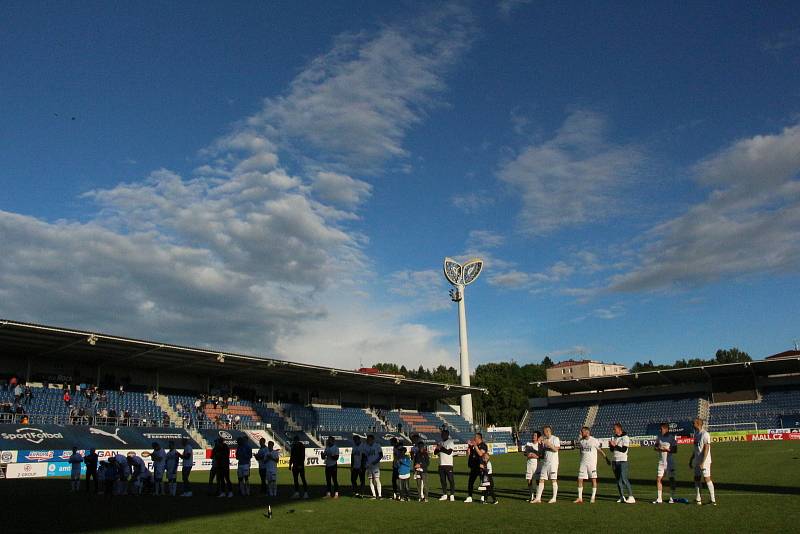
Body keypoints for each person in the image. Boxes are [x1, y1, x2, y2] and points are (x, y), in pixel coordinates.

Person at [575, 426, 608, 504]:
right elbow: (581, 451)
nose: (581, 433)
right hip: (583, 463)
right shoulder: (581, 441)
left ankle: (593, 497)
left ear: (587, 432)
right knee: (580, 479)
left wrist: (606, 458)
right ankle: (580, 498)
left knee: (593, 479)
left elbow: (600, 450)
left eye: (582, 432)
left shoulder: (594, 440)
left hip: (592, 464)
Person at [690, 417, 716, 506]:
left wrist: (703, 462)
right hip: (697, 460)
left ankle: (713, 500)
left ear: (698, 424)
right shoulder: (696, 434)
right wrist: (691, 459)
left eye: (693, 423)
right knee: (696, 478)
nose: (692, 424)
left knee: (706, 478)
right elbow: (696, 449)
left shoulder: (705, 434)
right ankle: (698, 499)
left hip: (704, 461)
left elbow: (706, 448)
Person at [532, 425, 560, 503]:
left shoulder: (555, 438)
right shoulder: (544, 440)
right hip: (545, 462)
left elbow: (556, 449)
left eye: (545, 432)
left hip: (553, 463)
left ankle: (554, 498)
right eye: (543, 432)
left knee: (553, 480)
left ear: (548, 431)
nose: (544, 434)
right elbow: (544, 451)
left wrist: (548, 444)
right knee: (541, 479)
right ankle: (538, 498)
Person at [609, 422, 635, 503]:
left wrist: (615, 445)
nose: (614, 430)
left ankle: (631, 497)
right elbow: (612, 450)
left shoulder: (625, 437)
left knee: (624, 479)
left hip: (622, 460)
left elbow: (624, 450)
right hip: (615, 461)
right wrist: (611, 446)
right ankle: (622, 496)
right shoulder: (615, 437)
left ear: (619, 429)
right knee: (618, 480)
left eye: (615, 429)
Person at [654, 422, 678, 503]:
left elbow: (675, 450)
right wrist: (659, 449)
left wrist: (668, 450)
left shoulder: (671, 438)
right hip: (661, 462)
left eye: (661, 429)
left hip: (669, 462)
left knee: (671, 479)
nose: (660, 430)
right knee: (658, 479)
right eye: (660, 429)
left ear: (666, 429)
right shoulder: (659, 437)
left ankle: (672, 497)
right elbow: (655, 447)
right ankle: (659, 498)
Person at [465, 432, 488, 503]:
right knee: (470, 482)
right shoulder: (474, 446)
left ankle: (483, 497)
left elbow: (481, 453)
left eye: (475, 438)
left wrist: (475, 446)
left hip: (481, 467)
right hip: (473, 466)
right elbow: (468, 454)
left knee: (483, 483)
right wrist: (469, 447)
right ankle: (469, 496)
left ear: (478, 438)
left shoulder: (483, 445)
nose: (473, 439)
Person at [435, 428, 456, 501]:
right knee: (443, 480)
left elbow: (449, 452)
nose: (442, 435)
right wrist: (437, 448)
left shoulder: (450, 442)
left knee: (451, 480)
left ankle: (452, 495)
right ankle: (444, 494)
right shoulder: (440, 442)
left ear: (447, 435)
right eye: (441, 434)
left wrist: (441, 447)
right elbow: (435, 452)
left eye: (443, 434)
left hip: (448, 464)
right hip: (441, 464)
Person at [524, 431, 543, 503]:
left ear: (538, 437)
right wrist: (533, 454)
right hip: (529, 465)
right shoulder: (528, 444)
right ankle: (531, 496)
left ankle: (538, 497)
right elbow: (526, 453)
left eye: (535, 435)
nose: (533, 436)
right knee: (529, 480)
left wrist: (532, 453)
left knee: (538, 481)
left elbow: (540, 455)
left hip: (537, 465)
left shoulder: (540, 445)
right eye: (533, 435)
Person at [289, 435, 309, 499]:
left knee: (303, 479)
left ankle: (306, 493)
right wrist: (290, 464)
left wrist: (300, 464)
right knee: (295, 479)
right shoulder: (293, 446)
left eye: (295, 441)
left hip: (300, 465)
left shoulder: (301, 446)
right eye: (294, 441)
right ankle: (297, 493)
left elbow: (302, 456)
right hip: (295, 465)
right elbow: (291, 456)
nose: (295, 442)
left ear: (297, 440)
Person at [365, 434, 383, 499]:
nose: (368, 440)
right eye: (367, 439)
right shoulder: (366, 446)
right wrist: (366, 464)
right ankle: (374, 495)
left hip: (376, 466)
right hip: (369, 466)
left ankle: (380, 495)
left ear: (372, 439)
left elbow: (381, 455)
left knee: (377, 479)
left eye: (369, 439)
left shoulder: (377, 445)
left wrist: (376, 461)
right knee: (370, 480)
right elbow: (365, 456)